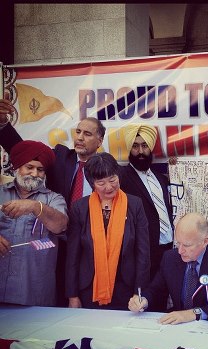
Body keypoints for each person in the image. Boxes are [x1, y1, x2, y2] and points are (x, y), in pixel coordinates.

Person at [0, 96, 106, 307]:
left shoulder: (107, 169)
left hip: (93, 247)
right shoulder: (60, 158)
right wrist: (3, 125)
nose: (80, 138)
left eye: (87, 134)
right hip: (58, 244)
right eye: (78, 132)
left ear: (99, 141)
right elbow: (23, 151)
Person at [65, 152, 150, 310]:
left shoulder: (135, 205)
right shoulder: (80, 208)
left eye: (112, 180)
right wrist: (72, 295)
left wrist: (138, 292)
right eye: (101, 182)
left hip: (126, 289)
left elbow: (143, 253)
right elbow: (73, 256)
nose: (109, 187)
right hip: (89, 289)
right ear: (92, 183)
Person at [128, 212, 208, 324]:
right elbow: (156, 290)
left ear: (205, 242)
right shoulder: (170, 258)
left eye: (186, 245)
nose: (180, 251)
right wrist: (143, 300)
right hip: (179, 327)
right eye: (178, 243)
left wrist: (193, 313)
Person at [0, 140, 68, 306]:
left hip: (34, 294)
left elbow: (61, 225)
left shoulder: (53, 198)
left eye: (40, 169)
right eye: (29, 167)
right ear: (17, 168)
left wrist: (35, 207)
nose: (35, 173)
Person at [121, 124, 174, 310]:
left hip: (169, 250)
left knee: (165, 300)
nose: (140, 151)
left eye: (144, 145)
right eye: (135, 146)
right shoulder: (121, 178)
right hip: (142, 254)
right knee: (145, 304)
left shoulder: (161, 179)